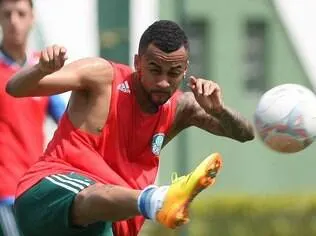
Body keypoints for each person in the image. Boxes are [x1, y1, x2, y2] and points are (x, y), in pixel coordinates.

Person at [7, 20, 254, 236]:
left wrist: (219, 110)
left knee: (100, 206)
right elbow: (15, 88)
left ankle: (158, 201)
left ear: (185, 69)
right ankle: (160, 199)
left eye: (174, 72)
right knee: (89, 195)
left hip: (107, 225)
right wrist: (41, 68)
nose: (163, 81)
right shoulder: (101, 76)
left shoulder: (182, 107)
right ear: (138, 62)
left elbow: (245, 133)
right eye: (155, 70)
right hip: (48, 197)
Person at [0, 0, 66, 235]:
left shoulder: (43, 68)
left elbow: (69, 123)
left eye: (20, 13)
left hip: (35, 189)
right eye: (7, 14)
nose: (13, 21)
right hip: (4, 192)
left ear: (32, 17)